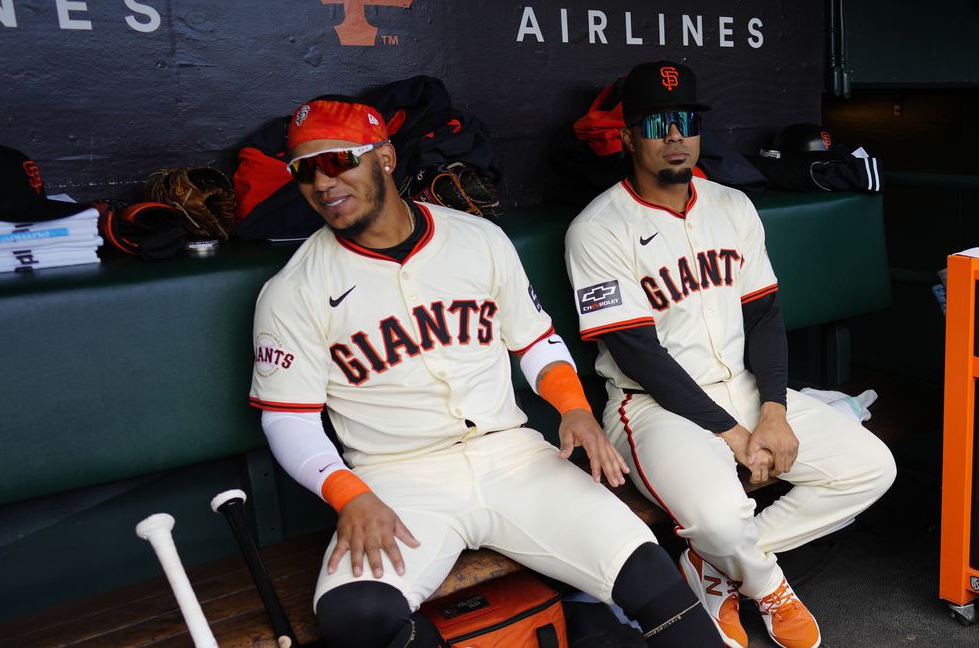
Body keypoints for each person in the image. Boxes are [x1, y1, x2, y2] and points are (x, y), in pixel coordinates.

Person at [250, 97, 725, 648]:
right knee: (354, 615)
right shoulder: (293, 290)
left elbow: (537, 340)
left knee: (648, 571)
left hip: (512, 457)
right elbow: (289, 421)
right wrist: (348, 494)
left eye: (338, 160)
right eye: (304, 169)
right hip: (397, 479)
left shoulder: (477, 239)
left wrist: (573, 407)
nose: (321, 182)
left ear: (383, 157)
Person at [564, 62, 897, 648]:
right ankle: (767, 585)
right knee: (719, 517)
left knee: (871, 468)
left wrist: (772, 410)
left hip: (741, 385)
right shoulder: (597, 228)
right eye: (659, 123)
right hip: (651, 409)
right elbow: (637, 353)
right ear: (627, 137)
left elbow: (764, 315)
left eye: (687, 122)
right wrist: (732, 435)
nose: (675, 137)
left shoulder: (732, 206)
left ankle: (712, 570)